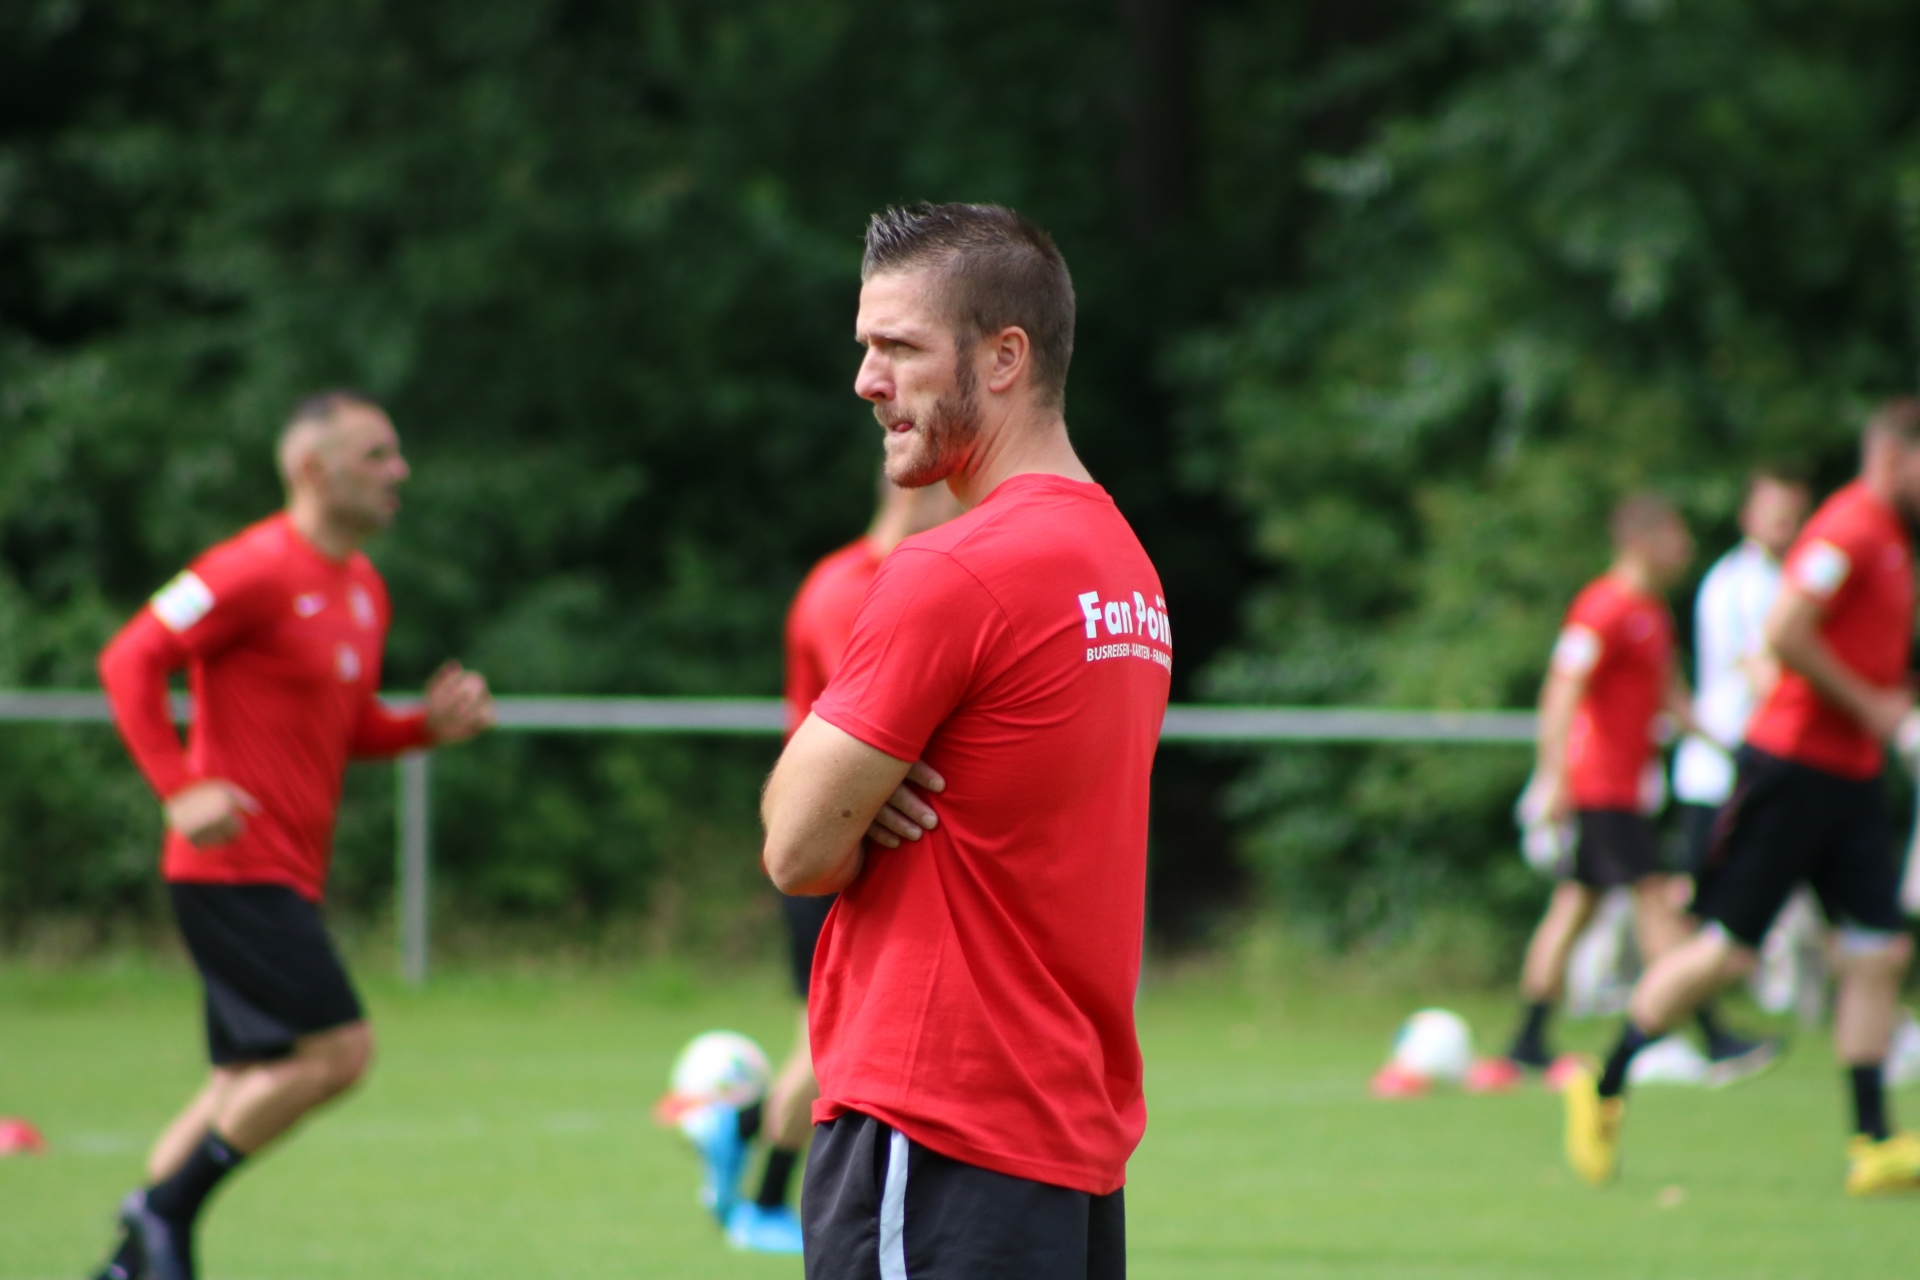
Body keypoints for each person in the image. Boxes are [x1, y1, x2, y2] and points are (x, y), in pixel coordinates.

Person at [760, 202, 1170, 1279]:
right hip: (1063, 1130)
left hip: (936, 1118)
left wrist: (855, 794)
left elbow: (796, 847)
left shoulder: (952, 569)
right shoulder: (1125, 566)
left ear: (1003, 357)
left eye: (899, 347)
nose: (867, 380)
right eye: (865, 347)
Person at [89, 393, 495, 1280]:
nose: (399, 471)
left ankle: (127, 1263)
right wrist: (180, 787)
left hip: (282, 871)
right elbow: (128, 659)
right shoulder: (249, 567)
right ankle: (162, 1214)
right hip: (229, 866)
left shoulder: (363, 587)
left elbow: (345, 728)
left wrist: (424, 727)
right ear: (313, 469)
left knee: (241, 1081)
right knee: (339, 1052)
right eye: (375, 455)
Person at [1565, 399, 1920, 1196]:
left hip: (1854, 775)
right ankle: (1605, 1081)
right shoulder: (1849, 530)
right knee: (1726, 951)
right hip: (1792, 771)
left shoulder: (1894, 541)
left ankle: (1872, 1143)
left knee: (1880, 950)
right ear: (1896, 457)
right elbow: (1787, 632)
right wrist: (1872, 705)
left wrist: (1891, 701)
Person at [711, 475, 960, 1254]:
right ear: (918, 494)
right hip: (831, 851)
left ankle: (736, 1126)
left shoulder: (924, 576)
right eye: (957, 491)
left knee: (837, 1053)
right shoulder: (849, 589)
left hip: (875, 846)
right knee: (826, 1054)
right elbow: (886, 726)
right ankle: (760, 1206)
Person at [1477, 494, 1767, 1092]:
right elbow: (1561, 692)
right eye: (1675, 537)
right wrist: (1555, 777)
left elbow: (1670, 697)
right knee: (1655, 901)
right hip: (1599, 785)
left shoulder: (1651, 613)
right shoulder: (1602, 607)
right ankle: (1711, 1033)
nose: (1685, 549)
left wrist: (1728, 751)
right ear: (1642, 541)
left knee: (1575, 906)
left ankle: (1527, 1040)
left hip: (1624, 788)